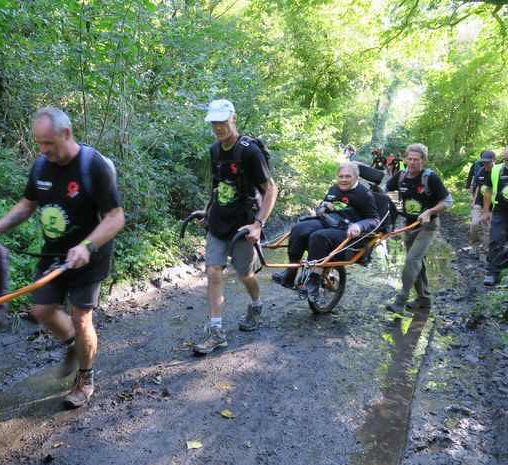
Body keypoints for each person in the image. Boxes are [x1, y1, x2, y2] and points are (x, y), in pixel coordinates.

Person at [0, 107, 125, 408]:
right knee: (42, 309)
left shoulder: (93, 165)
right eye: (39, 142)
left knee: (79, 317)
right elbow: (26, 206)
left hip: (91, 255)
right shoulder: (41, 166)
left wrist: (87, 246)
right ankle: (75, 345)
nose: (43, 149)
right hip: (54, 254)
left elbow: (116, 218)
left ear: (67, 133)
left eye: (48, 142)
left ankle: (85, 377)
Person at [190, 99, 277, 354]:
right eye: (214, 122)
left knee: (244, 275)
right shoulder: (214, 151)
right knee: (213, 272)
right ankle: (216, 331)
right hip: (218, 222)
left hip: (243, 225)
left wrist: (258, 225)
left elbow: (271, 189)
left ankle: (257, 305)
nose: (218, 127)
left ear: (233, 118)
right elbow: (218, 185)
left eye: (222, 121)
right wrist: (207, 208)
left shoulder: (250, 151)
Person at [272, 162, 379, 301]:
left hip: (348, 231)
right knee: (298, 229)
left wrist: (359, 226)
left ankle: (314, 281)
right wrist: (322, 208)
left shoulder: (364, 194)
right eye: (341, 176)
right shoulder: (334, 189)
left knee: (318, 237)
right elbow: (320, 210)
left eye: (348, 176)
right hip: (329, 222)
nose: (344, 179)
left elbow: (374, 219)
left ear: (356, 177)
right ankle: (290, 274)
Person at [383, 144, 452, 312]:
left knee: (411, 260)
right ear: (405, 159)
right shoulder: (400, 176)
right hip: (410, 226)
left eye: (416, 159)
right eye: (410, 159)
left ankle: (401, 300)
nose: (412, 163)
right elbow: (385, 191)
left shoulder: (430, 178)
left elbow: (448, 201)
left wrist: (430, 211)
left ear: (423, 161)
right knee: (417, 262)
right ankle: (425, 300)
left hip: (428, 226)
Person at [482, 147, 508, 286]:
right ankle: (492, 273)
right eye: (506, 159)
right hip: (500, 212)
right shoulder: (496, 169)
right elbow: (488, 191)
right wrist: (486, 211)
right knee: (496, 239)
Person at [469, 151, 494, 262]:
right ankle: (475, 246)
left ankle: (484, 252)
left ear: (494, 160)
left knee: (488, 228)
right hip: (479, 201)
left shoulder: (497, 171)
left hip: (492, 205)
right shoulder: (480, 170)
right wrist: (473, 201)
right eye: (483, 162)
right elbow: (478, 187)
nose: (485, 165)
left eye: (487, 162)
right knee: (474, 224)